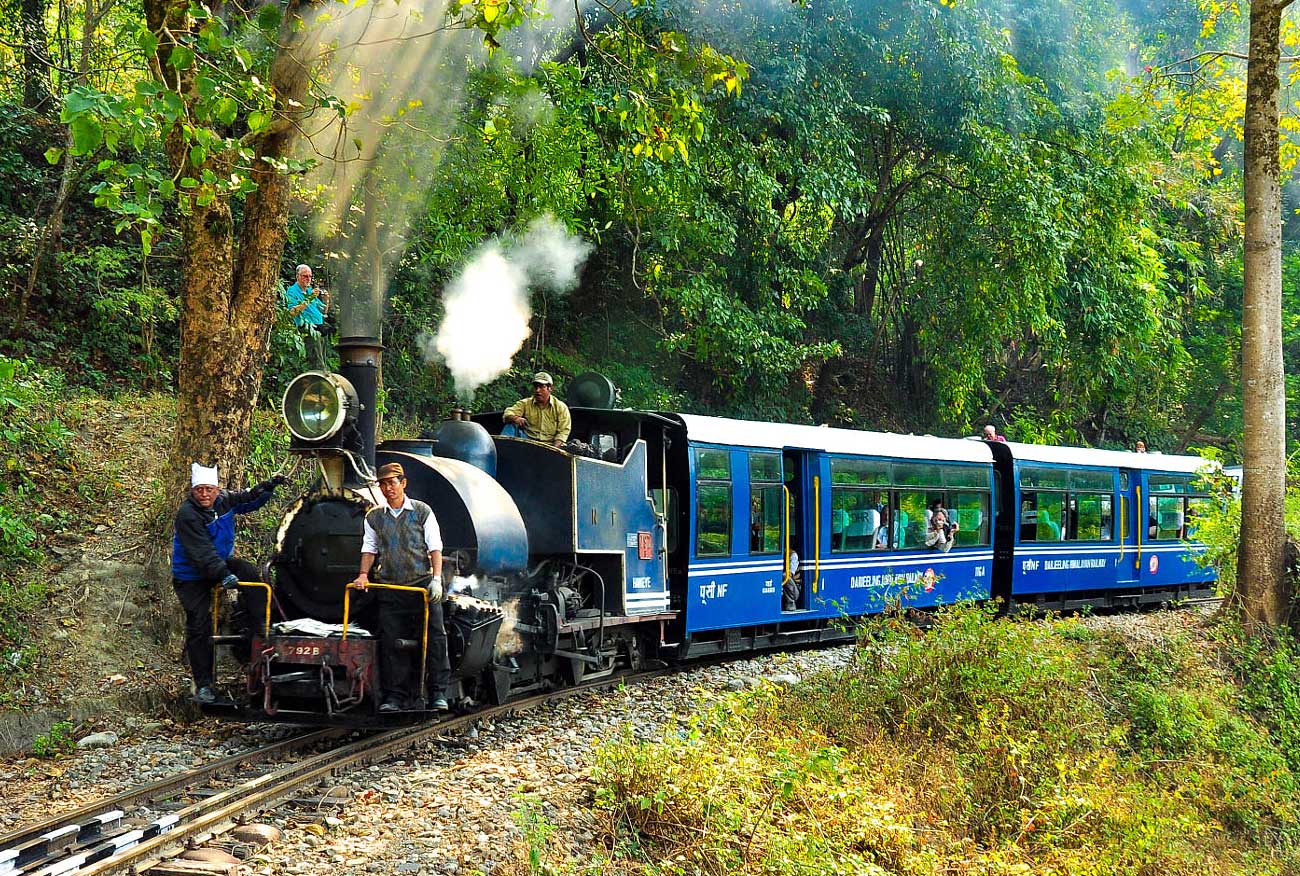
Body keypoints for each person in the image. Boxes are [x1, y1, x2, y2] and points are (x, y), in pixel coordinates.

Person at [172, 463, 285, 704]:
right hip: (191, 575)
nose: (204, 494)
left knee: (249, 572)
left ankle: (262, 624)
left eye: (209, 489)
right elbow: (202, 554)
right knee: (199, 624)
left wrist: (267, 488)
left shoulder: (224, 500)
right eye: (199, 489)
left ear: (216, 489)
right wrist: (223, 574)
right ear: (193, 490)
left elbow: (247, 499)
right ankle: (204, 685)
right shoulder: (187, 515)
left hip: (218, 563)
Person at [351, 462, 450, 713]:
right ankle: (395, 696)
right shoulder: (374, 517)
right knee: (391, 641)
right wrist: (363, 574)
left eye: (392, 483)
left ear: (403, 483)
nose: (388, 488)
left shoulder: (422, 511)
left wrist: (436, 579)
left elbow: (435, 547)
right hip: (391, 587)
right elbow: (369, 548)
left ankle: (438, 691)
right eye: (383, 484)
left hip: (421, 585)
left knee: (435, 637)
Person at [503, 372, 572, 447]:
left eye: (542, 387)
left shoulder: (561, 407)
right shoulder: (525, 403)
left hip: (549, 446)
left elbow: (563, 432)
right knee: (510, 426)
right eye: (536, 387)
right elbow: (508, 413)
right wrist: (516, 418)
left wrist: (554, 451)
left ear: (550, 388)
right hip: (528, 441)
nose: (537, 390)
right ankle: (501, 451)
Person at [283, 264, 330, 367]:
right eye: (305, 276)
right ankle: (317, 376)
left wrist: (326, 300)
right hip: (306, 327)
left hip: (319, 325)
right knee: (316, 359)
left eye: (310, 276)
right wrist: (310, 298)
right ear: (298, 276)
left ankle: (323, 374)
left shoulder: (309, 290)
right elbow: (292, 312)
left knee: (324, 357)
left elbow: (323, 312)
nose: (308, 279)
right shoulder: (292, 291)